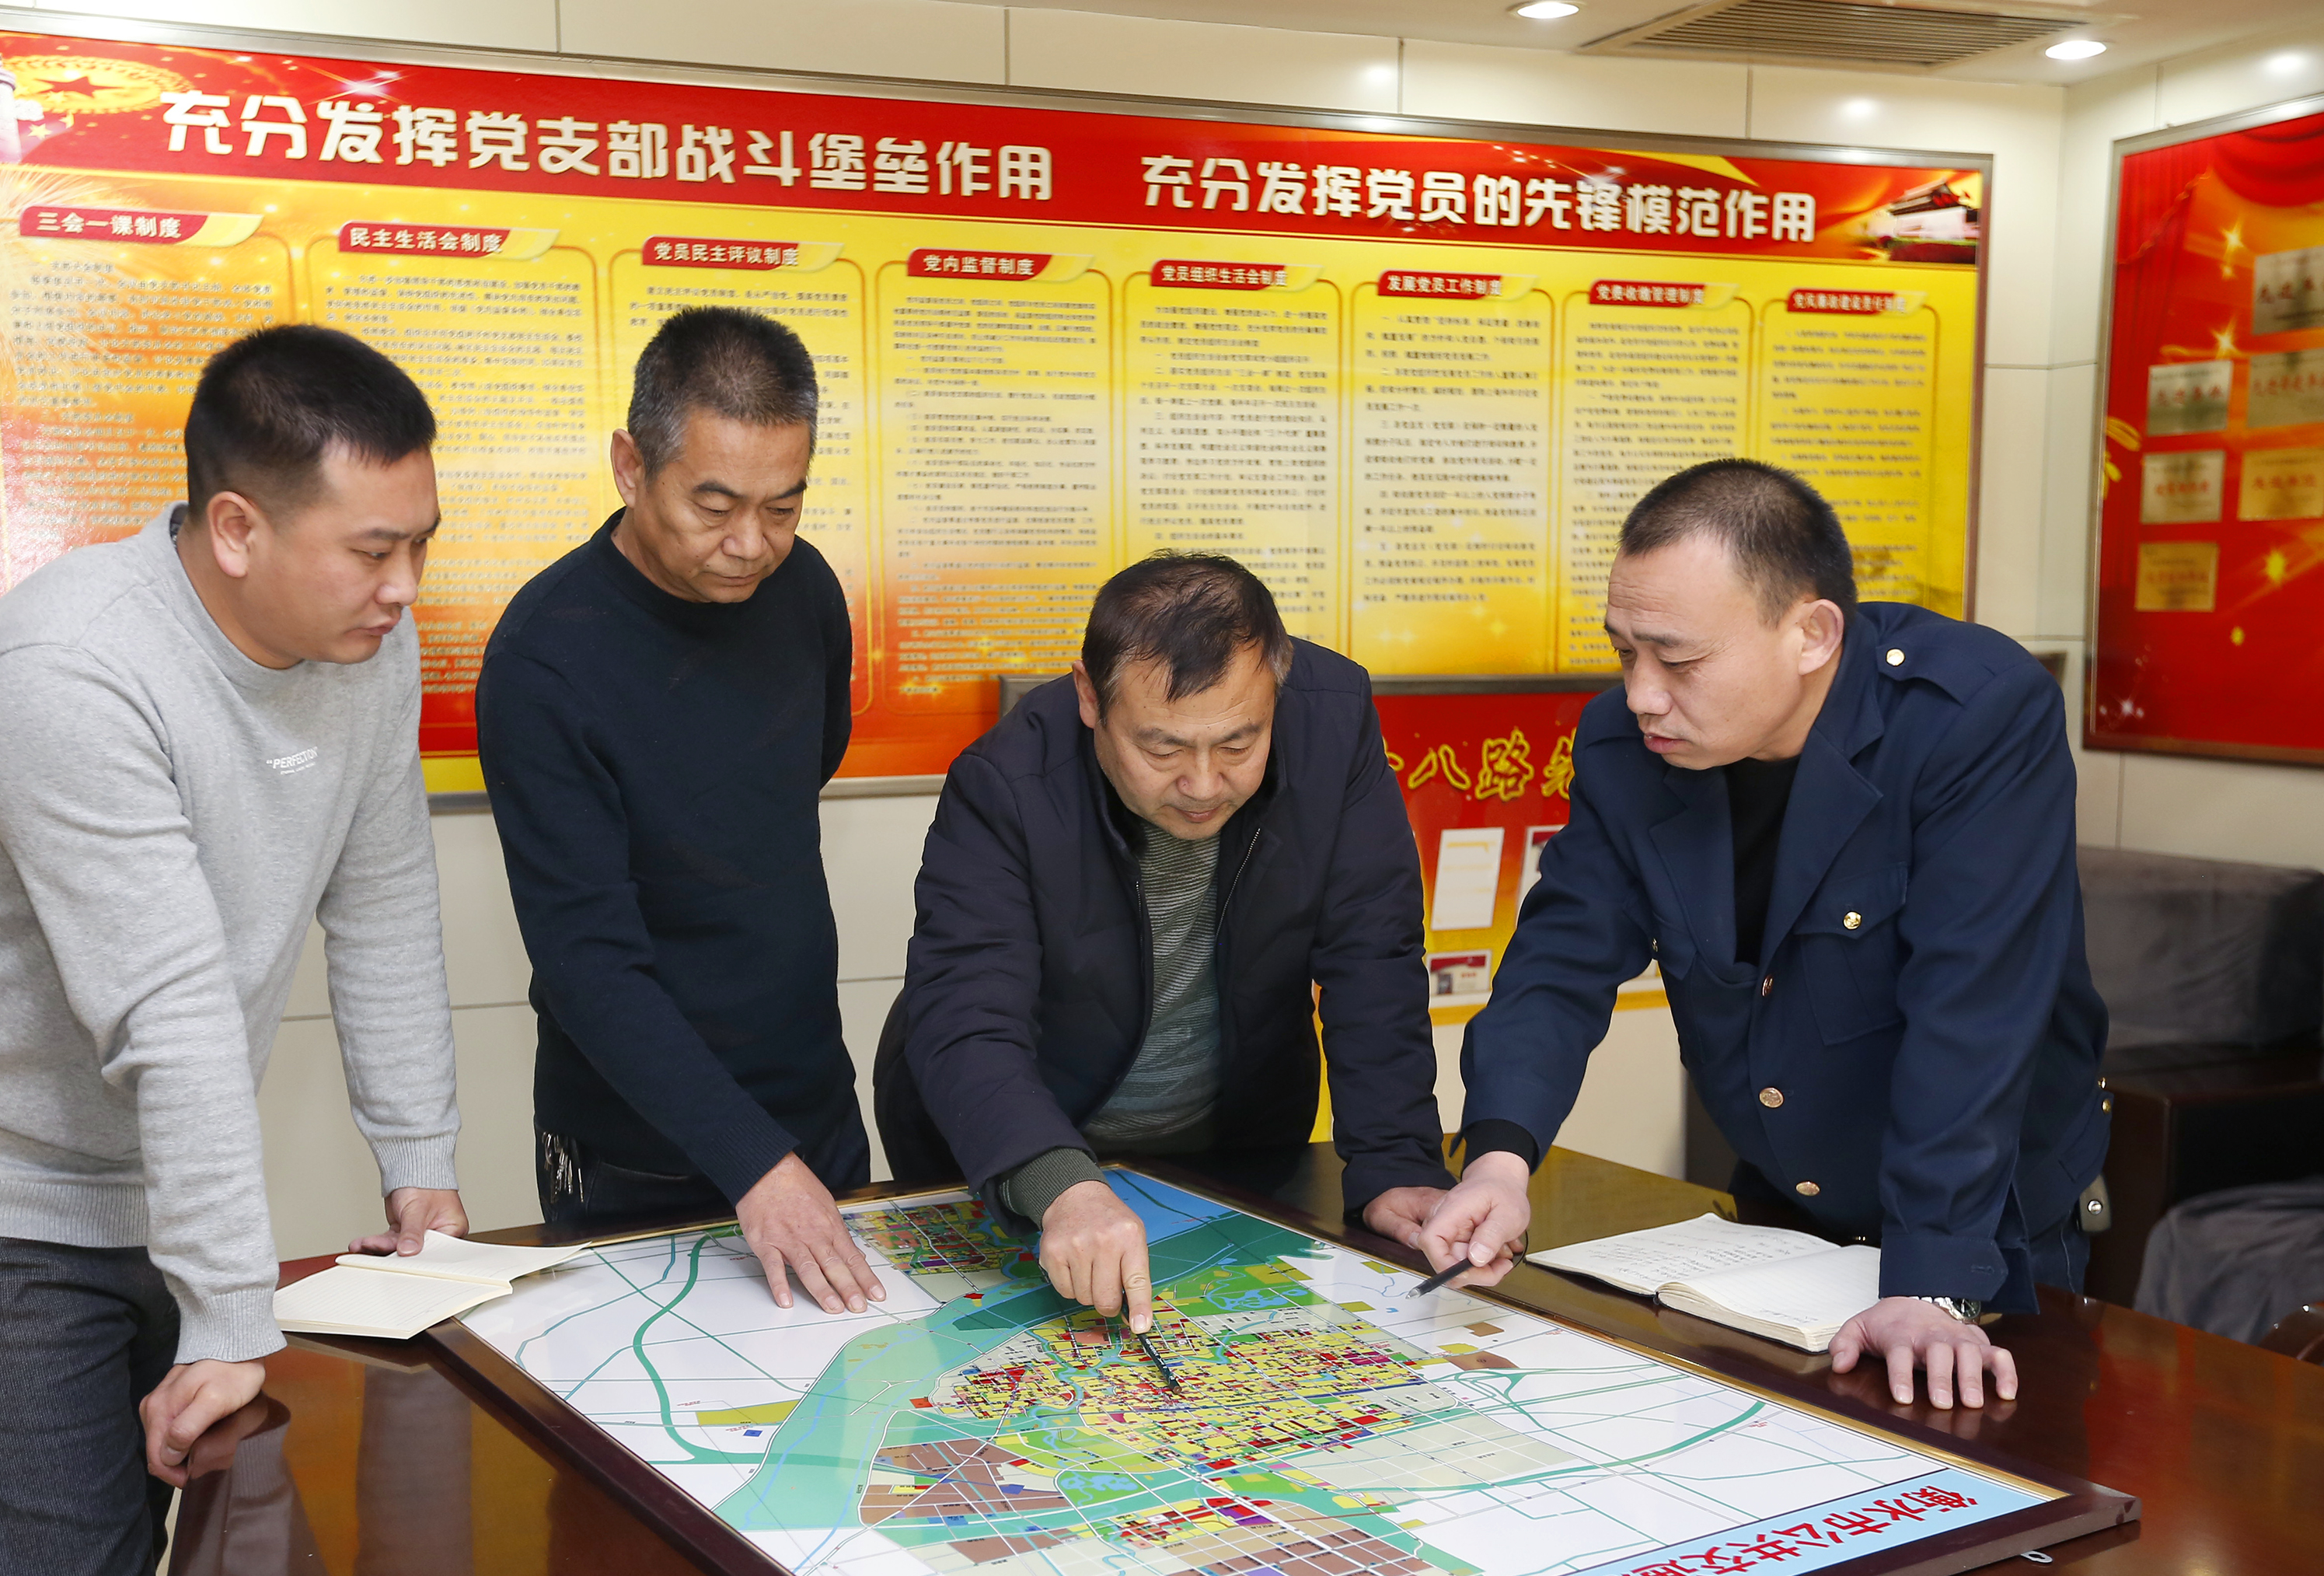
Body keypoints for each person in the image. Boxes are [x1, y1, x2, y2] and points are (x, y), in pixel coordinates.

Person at [0, 324, 465, 1576]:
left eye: (420, 542)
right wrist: (227, 1314)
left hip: (166, 1189)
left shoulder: (364, 652)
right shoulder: (66, 669)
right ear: (235, 527)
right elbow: (172, 1007)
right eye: (373, 550)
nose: (406, 587)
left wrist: (421, 1173)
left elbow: (384, 904)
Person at [1458, 459, 2108, 1412]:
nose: (1641, 695)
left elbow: (1973, 1008)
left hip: (1980, 1223)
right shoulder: (1625, 746)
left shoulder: (1971, 717)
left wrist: (1931, 1283)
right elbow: (1561, 959)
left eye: (1677, 661)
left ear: (1811, 634)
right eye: (1624, 653)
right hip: (1783, 1207)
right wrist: (1498, 1159)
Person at [877, 552, 1528, 1331]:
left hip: (1231, 1151)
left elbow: (1371, 956)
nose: (1203, 784)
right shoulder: (1006, 780)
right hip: (1027, 1154)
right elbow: (967, 1015)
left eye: (1237, 745)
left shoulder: (1333, 721)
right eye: (1162, 750)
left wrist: (1395, 1166)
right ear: (1090, 695)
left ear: (1276, 688)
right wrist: (1057, 1183)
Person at [477, 306, 879, 1316]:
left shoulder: (806, 589)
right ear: (630, 466)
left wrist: (782, 1156)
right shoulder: (544, 659)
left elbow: (788, 790)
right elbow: (586, 960)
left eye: (783, 505)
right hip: (634, 1158)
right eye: (714, 505)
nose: (750, 544)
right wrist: (751, 1162)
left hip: (813, 1120)